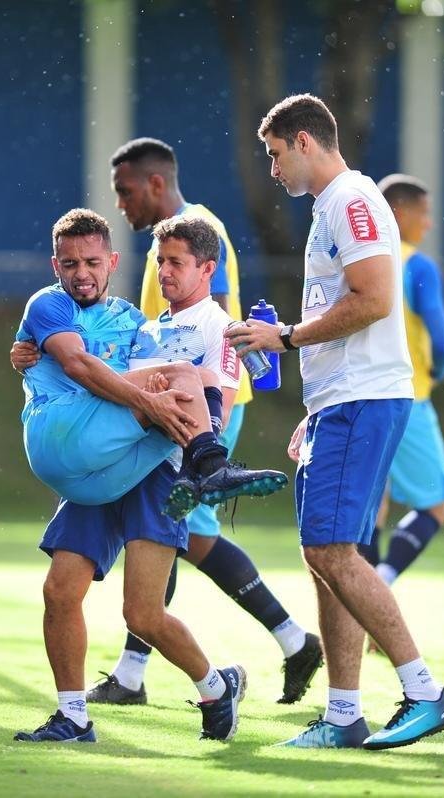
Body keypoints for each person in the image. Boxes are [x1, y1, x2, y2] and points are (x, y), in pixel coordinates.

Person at [225, 94, 444, 750]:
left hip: (362, 399)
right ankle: (344, 714)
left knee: (334, 552)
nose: (272, 170)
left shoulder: (351, 200)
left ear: (304, 141)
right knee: (324, 555)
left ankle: (424, 692)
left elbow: (376, 299)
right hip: (342, 402)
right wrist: (315, 403)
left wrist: (287, 338)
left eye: (274, 154)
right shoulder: (334, 205)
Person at [12, 208, 285, 743]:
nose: (164, 271)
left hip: (152, 468)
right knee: (59, 590)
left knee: (143, 613)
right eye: (160, 261)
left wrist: (200, 411)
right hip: (102, 460)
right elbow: (87, 368)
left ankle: (214, 687)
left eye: (176, 262)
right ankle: (72, 717)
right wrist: (28, 355)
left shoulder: (182, 325)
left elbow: (208, 395)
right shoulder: (93, 313)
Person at [74, 138, 323, 707]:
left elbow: (220, 320)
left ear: (155, 184)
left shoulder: (197, 230)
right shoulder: (168, 244)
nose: (122, 204)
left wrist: (216, 413)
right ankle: (293, 641)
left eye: (126, 191)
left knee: (164, 524)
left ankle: (137, 675)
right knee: (188, 536)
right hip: (176, 402)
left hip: (201, 407)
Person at [358, 175, 444, 588]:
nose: (429, 223)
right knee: (436, 509)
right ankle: (381, 583)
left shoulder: (357, 259)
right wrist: (438, 371)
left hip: (359, 398)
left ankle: (361, 605)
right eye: (424, 213)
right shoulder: (415, 264)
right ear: (399, 212)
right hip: (408, 399)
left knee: (370, 510)